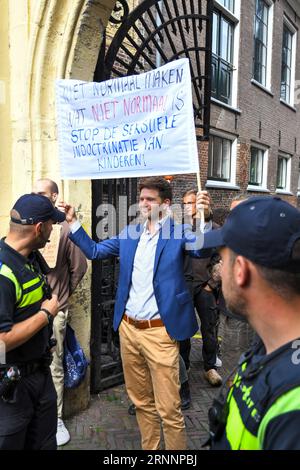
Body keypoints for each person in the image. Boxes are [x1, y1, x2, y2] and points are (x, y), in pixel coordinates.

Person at [60, 177, 207, 450]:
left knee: (169, 410)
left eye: (149, 199)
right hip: (128, 329)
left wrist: (203, 219)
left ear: (165, 204)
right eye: (140, 199)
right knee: (141, 403)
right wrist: (72, 221)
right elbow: (94, 251)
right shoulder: (130, 234)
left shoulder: (177, 233)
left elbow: (200, 248)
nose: (143, 204)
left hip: (160, 332)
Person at [203, 196, 300, 449]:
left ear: (240, 271)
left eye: (222, 261)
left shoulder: (293, 408)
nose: (219, 271)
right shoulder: (267, 345)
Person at [0, 193, 64, 449]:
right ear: (39, 228)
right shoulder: (3, 273)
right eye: (51, 224)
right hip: (12, 388)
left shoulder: (29, 258)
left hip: (40, 375)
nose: (53, 229)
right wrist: (46, 314)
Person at [33, 179, 87, 446]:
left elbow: (79, 267)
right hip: (30, 313)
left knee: (55, 367)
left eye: (41, 193)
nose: (37, 196)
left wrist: (61, 296)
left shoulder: (66, 228)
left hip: (56, 313)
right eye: (34, 192)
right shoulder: (30, 223)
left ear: (54, 196)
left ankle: (56, 418)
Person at [182, 189, 222, 386]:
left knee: (209, 327)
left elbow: (220, 258)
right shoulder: (179, 229)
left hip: (205, 286)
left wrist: (212, 284)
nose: (188, 207)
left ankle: (210, 366)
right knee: (184, 329)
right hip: (184, 287)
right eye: (186, 204)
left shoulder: (214, 229)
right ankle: (184, 365)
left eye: (192, 203)